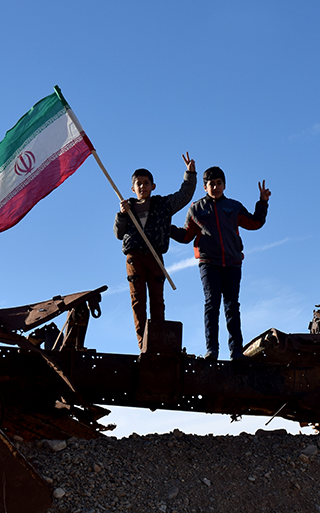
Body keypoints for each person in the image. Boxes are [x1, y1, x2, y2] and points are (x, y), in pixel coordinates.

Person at [172, 166, 270, 360]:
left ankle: (236, 351)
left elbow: (255, 223)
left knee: (232, 306)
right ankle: (212, 350)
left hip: (233, 263)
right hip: (209, 263)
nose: (215, 187)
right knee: (212, 305)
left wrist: (263, 202)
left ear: (224, 185)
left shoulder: (234, 206)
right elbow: (185, 235)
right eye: (211, 184)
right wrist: (166, 227)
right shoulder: (196, 209)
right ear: (204, 186)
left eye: (218, 183)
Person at [114, 153, 197, 349]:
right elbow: (118, 233)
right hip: (134, 257)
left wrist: (190, 174)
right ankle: (143, 343)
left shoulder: (163, 205)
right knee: (137, 300)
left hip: (155, 256)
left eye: (146, 183)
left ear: (153, 186)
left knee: (157, 300)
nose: (142, 186)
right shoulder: (127, 207)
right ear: (133, 188)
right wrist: (121, 215)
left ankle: (157, 343)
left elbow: (184, 195)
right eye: (138, 184)